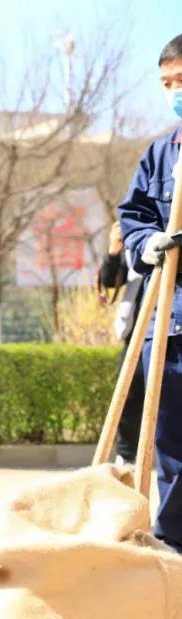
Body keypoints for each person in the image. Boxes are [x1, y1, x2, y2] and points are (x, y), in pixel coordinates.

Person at [119, 32, 182, 550]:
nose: (174, 91)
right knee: (169, 447)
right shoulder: (162, 153)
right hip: (170, 323)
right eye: (166, 83)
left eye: (181, 79)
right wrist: (146, 244)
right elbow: (133, 215)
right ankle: (173, 553)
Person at [97, 221, 145, 464]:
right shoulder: (135, 239)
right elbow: (108, 281)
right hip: (136, 334)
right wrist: (114, 249)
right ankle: (126, 458)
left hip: (173, 331)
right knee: (128, 395)